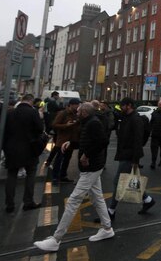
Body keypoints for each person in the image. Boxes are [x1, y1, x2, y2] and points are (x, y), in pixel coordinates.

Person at [34, 103, 115, 251]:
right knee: (96, 198)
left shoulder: (93, 124)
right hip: (92, 166)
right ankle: (107, 228)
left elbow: (103, 142)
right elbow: (87, 141)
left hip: (91, 167)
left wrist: (87, 155)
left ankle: (56, 239)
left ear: (84, 112)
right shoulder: (87, 122)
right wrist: (71, 143)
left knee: (73, 200)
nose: (76, 112)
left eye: (78, 110)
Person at [100, 97, 155, 222]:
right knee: (130, 180)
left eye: (122, 106)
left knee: (118, 182)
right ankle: (148, 200)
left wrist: (135, 160)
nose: (121, 108)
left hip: (129, 155)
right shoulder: (126, 118)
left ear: (129, 105)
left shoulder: (135, 119)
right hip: (125, 153)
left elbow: (138, 140)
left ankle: (111, 211)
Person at [3, 94, 44, 212]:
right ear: (31, 101)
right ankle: (28, 201)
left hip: (11, 148)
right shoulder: (33, 112)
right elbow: (39, 129)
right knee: (30, 174)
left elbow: (4, 131)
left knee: (11, 175)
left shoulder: (10, 113)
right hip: (29, 148)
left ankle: (9, 204)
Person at [51, 98, 81, 183]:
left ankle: (63, 175)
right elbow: (54, 124)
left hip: (72, 141)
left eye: (78, 104)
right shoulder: (63, 113)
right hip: (63, 140)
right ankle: (55, 177)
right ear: (71, 105)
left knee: (67, 159)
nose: (78, 106)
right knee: (59, 159)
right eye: (76, 104)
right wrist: (66, 125)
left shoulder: (76, 114)